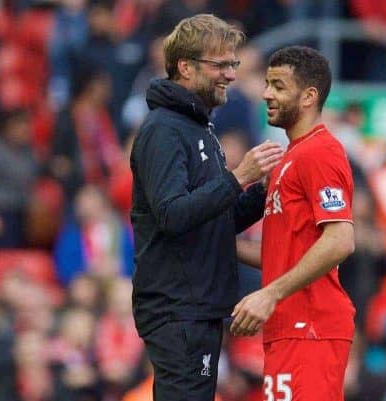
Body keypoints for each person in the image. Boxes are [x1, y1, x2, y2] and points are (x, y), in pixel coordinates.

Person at [130, 14, 284, 401]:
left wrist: (264, 190)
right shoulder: (165, 129)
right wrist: (238, 177)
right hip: (178, 307)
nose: (231, 74)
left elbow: (215, 220)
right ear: (186, 67)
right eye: (220, 64)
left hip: (197, 306)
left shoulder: (198, 126)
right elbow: (172, 215)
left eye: (233, 64)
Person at [230, 45, 356, 401]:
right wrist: (224, 245)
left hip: (311, 326)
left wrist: (269, 293)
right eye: (268, 84)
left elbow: (340, 240)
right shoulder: (291, 157)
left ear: (309, 96)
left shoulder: (320, 152)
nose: (267, 93)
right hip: (290, 326)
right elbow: (284, 253)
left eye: (279, 86)